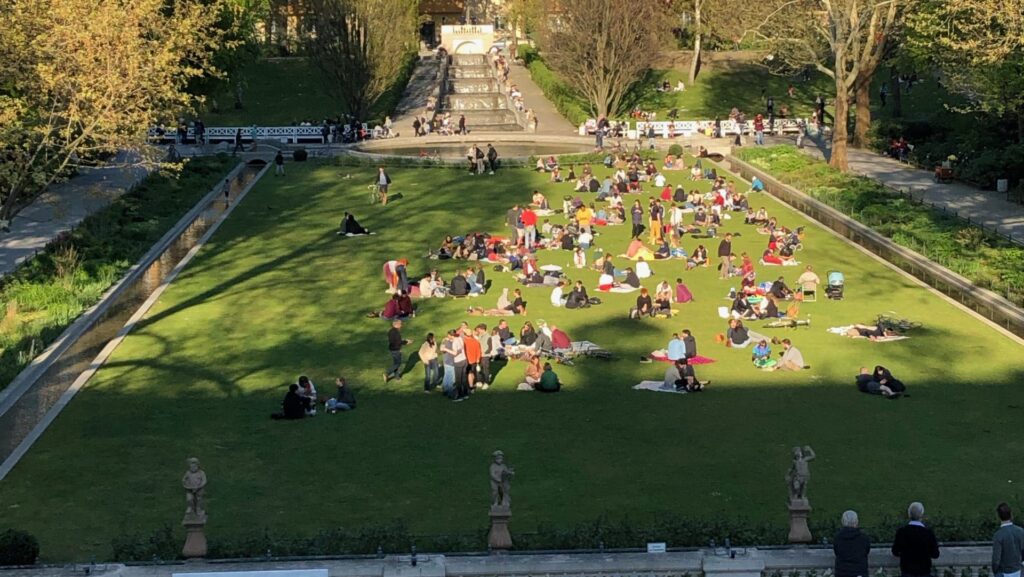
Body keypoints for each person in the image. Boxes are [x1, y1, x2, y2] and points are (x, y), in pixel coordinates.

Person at [892, 502, 940, 577]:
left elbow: (895, 551)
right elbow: (935, 554)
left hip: (907, 571)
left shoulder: (902, 532)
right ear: (922, 515)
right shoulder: (928, 533)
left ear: (909, 515)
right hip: (924, 572)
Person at [834, 510, 871, 577]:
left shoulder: (838, 538)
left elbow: (836, 552)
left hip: (842, 572)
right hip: (859, 572)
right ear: (856, 522)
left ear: (842, 522)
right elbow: (866, 551)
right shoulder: (864, 538)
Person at [992, 503, 1024, 577]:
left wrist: (995, 570)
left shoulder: (998, 535)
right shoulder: (1020, 531)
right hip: (1018, 570)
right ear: (1011, 514)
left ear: (999, 516)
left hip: (1004, 572)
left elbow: (996, 559)